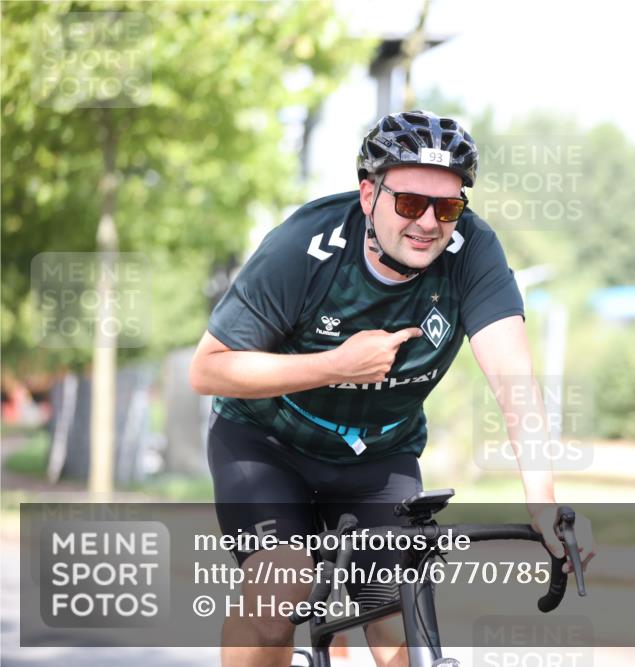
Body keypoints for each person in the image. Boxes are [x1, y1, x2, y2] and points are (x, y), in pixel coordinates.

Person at [189, 110, 596, 667]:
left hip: (379, 452)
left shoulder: (473, 253)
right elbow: (208, 369)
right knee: (276, 595)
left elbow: (515, 383)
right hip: (266, 443)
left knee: (401, 621)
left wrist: (543, 502)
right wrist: (335, 365)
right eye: (409, 203)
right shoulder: (304, 245)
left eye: (448, 207)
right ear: (367, 194)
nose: (428, 222)